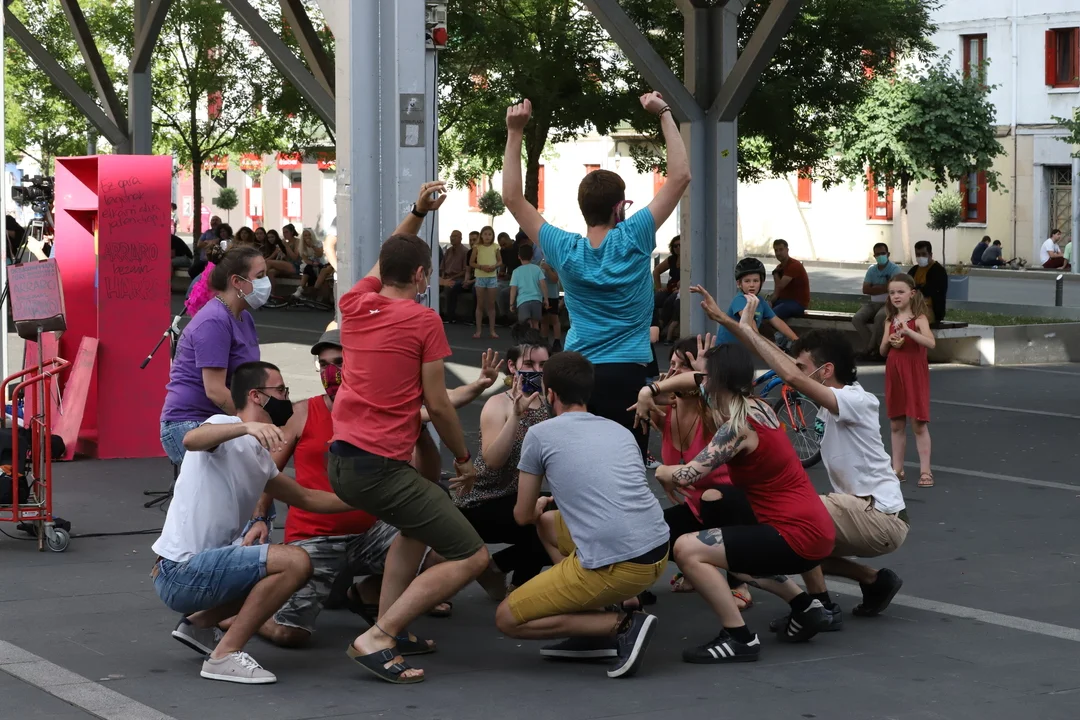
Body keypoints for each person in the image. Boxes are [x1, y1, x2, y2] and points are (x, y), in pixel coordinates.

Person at [232, 331, 504, 648]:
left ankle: (369, 599)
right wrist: (259, 518)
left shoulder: (379, 414)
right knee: (289, 634)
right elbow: (268, 472)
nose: (331, 372)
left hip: (371, 534)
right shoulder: (302, 412)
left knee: (446, 548)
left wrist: (479, 386)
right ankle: (236, 617)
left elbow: (439, 414)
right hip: (314, 540)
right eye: (324, 364)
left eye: (339, 362)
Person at [329, 181, 489, 685]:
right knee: (472, 555)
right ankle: (377, 637)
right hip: (378, 467)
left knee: (416, 530)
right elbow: (437, 405)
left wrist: (417, 211)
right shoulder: (423, 320)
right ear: (421, 275)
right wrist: (463, 459)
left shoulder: (354, 303)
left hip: (344, 461)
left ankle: (388, 626)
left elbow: (388, 260)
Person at [696, 289, 908, 626]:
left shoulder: (857, 400)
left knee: (794, 523)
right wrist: (730, 323)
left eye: (803, 366)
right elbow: (780, 361)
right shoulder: (832, 399)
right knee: (800, 542)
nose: (793, 370)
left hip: (880, 516)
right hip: (861, 511)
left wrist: (748, 330)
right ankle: (873, 581)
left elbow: (790, 374)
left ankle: (819, 607)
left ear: (825, 370)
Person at [500, 92, 691, 464]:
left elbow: (512, 198)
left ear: (583, 208)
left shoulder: (563, 248)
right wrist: (664, 113)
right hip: (629, 373)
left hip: (578, 372)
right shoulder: (634, 235)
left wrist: (515, 131)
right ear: (620, 207)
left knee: (578, 465)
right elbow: (680, 175)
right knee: (625, 466)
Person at [152, 361, 355, 684]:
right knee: (295, 561)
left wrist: (371, 499)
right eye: (281, 390)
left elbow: (308, 498)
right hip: (182, 571)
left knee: (295, 566)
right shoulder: (225, 425)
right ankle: (224, 655)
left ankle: (199, 624)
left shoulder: (259, 458)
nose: (286, 398)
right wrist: (245, 427)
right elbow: (191, 439)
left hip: (199, 572)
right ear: (256, 396)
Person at [636, 337, 836, 662]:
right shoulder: (756, 406)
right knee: (732, 555)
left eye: (705, 375)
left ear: (717, 380)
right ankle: (805, 607)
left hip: (796, 534)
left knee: (687, 548)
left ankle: (739, 638)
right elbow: (694, 384)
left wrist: (662, 471)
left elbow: (687, 475)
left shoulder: (737, 427)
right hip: (809, 527)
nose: (699, 381)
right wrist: (652, 391)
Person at [493, 351, 669, 679]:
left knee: (507, 618)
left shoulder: (540, 434)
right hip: (658, 550)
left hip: (622, 566)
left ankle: (623, 624)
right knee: (548, 523)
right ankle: (592, 626)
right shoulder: (619, 431)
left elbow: (522, 515)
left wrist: (538, 505)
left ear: (550, 394)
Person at [650, 336, 753, 610]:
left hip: (737, 510)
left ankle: (739, 582)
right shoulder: (665, 411)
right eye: (671, 364)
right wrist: (648, 395)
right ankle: (696, 569)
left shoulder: (716, 412)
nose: (673, 372)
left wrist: (704, 372)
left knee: (715, 497)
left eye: (682, 367)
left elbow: (721, 394)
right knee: (653, 534)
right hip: (696, 510)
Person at [454, 326, 553, 597]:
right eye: (529, 365)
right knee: (541, 525)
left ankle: (498, 569)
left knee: (564, 519)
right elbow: (493, 461)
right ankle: (516, 591)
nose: (537, 372)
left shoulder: (549, 405)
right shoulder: (498, 404)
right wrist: (516, 417)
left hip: (516, 496)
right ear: (512, 367)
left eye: (543, 365)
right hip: (480, 501)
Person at [160, 246, 267, 466]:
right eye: (260, 276)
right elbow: (215, 391)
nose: (266, 283)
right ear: (237, 281)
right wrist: (256, 421)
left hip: (219, 420)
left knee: (257, 477)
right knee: (247, 478)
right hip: (191, 424)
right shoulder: (214, 321)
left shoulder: (244, 318)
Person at [879, 274, 935, 488]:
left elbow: (930, 343)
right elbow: (882, 350)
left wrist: (909, 332)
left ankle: (925, 470)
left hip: (914, 372)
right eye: (892, 292)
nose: (896, 296)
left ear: (911, 294)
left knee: (918, 422)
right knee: (896, 422)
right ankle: (897, 469)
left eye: (900, 292)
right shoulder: (889, 320)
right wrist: (890, 340)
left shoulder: (919, 319)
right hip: (895, 371)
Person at [714, 258, 797, 348]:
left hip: (743, 349)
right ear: (739, 283)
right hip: (725, 349)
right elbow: (751, 326)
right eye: (747, 281)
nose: (752, 285)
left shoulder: (761, 302)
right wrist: (770, 348)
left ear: (762, 282)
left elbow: (777, 322)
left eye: (756, 281)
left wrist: (797, 341)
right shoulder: (740, 300)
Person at [852, 243, 901, 357]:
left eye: (883, 253)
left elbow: (892, 288)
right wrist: (884, 287)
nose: (880, 256)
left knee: (879, 318)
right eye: (877, 254)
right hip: (872, 303)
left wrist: (874, 287)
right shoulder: (871, 270)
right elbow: (865, 289)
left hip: (889, 304)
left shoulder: (895, 269)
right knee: (857, 319)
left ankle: (870, 349)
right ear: (874, 256)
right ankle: (873, 347)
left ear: (888, 254)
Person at [471, 225, 501, 339]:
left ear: (493, 236)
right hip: (480, 277)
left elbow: (500, 261)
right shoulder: (477, 247)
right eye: (485, 234)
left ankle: (492, 330)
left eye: (489, 234)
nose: (487, 236)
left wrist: (494, 266)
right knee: (480, 303)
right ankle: (478, 330)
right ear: (481, 235)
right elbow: (471, 262)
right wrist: (481, 267)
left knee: (491, 304)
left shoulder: (495, 247)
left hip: (492, 277)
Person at [908, 241, 948, 325]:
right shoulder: (914, 270)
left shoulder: (938, 271)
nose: (920, 257)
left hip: (930, 309)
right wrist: (918, 288)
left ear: (930, 254)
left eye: (923, 254)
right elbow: (906, 286)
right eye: (918, 254)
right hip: (911, 306)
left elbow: (928, 291)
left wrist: (915, 288)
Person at [769, 239, 810, 320]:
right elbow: (777, 292)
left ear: (787, 250)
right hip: (784, 301)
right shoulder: (779, 267)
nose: (778, 253)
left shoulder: (794, 265)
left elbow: (780, 286)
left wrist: (775, 273)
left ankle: (778, 329)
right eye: (776, 250)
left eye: (781, 249)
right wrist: (769, 302)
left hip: (798, 303)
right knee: (763, 310)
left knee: (773, 315)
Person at [509, 244, 548, 329]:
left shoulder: (516, 271)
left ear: (519, 256)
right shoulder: (537, 269)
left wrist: (511, 304)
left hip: (523, 301)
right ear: (532, 256)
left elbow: (513, 289)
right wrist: (546, 299)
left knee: (526, 325)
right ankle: (535, 336)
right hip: (536, 300)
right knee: (536, 323)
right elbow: (543, 285)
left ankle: (528, 336)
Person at [440, 229, 470, 323]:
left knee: (451, 286)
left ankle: (450, 316)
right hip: (447, 276)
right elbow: (442, 267)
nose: (452, 238)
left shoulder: (465, 252)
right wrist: (443, 277)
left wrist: (451, 278)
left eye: (455, 236)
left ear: (460, 238)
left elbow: (464, 271)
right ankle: (438, 312)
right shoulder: (448, 251)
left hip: (459, 278)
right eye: (451, 236)